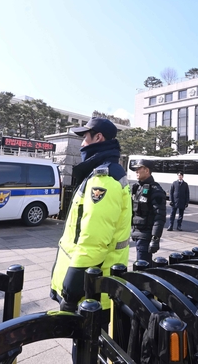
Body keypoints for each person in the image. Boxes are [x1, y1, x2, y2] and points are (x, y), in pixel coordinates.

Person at [50, 117, 132, 315]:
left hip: (91, 291)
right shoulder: (100, 172)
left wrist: (71, 291)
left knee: (88, 344)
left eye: (85, 138)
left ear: (98, 137)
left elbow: (94, 240)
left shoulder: (104, 179)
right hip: (91, 286)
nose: (82, 144)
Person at [130, 159, 166, 264]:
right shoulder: (137, 187)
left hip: (145, 236)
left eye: (139, 169)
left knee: (142, 267)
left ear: (147, 170)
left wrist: (155, 238)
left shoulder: (156, 190)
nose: (136, 171)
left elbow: (160, 216)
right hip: (136, 233)